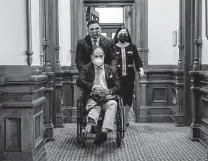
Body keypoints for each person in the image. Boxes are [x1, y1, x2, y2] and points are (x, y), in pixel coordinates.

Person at [76, 46, 120, 146]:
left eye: (101, 56)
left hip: (106, 97)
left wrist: (110, 92)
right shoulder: (86, 68)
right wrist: (93, 86)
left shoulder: (111, 70)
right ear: (92, 57)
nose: (98, 58)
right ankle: (91, 121)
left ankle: (103, 132)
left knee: (113, 104)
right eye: (96, 56)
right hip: (93, 97)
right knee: (95, 106)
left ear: (104, 57)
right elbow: (79, 81)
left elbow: (117, 86)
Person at [113, 26, 144, 128]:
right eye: (121, 33)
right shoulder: (113, 47)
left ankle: (125, 119)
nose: (123, 35)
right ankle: (117, 117)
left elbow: (137, 59)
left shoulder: (132, 47)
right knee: (118, 97)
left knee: (128, 97)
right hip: (116, 76)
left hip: (129, 76)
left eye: (125, 34)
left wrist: (140, 69)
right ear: (117, 35)